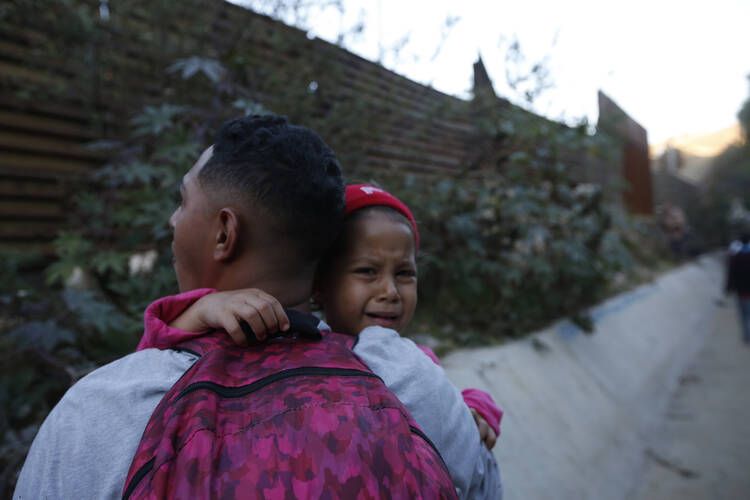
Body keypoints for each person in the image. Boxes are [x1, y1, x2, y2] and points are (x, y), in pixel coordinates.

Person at [13, 115, 461, 499]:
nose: (173, 219)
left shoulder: (103, 412)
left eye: (184, 201)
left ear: (225, 233)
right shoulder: (415, 382)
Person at [141, 184, 503, 497]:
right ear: (319, 282)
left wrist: (473, 406)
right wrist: (201, 309)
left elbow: (449, 400)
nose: (390, 291)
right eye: (367, 272)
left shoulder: (412, 361)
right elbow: (154, 353)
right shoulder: (281, 337)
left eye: (405, 273)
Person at [726, 232, 750, 343]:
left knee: (744, 316)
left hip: (742, 293)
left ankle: (747, 336)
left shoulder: (736, 257)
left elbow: (731, 274)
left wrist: (728, 289)